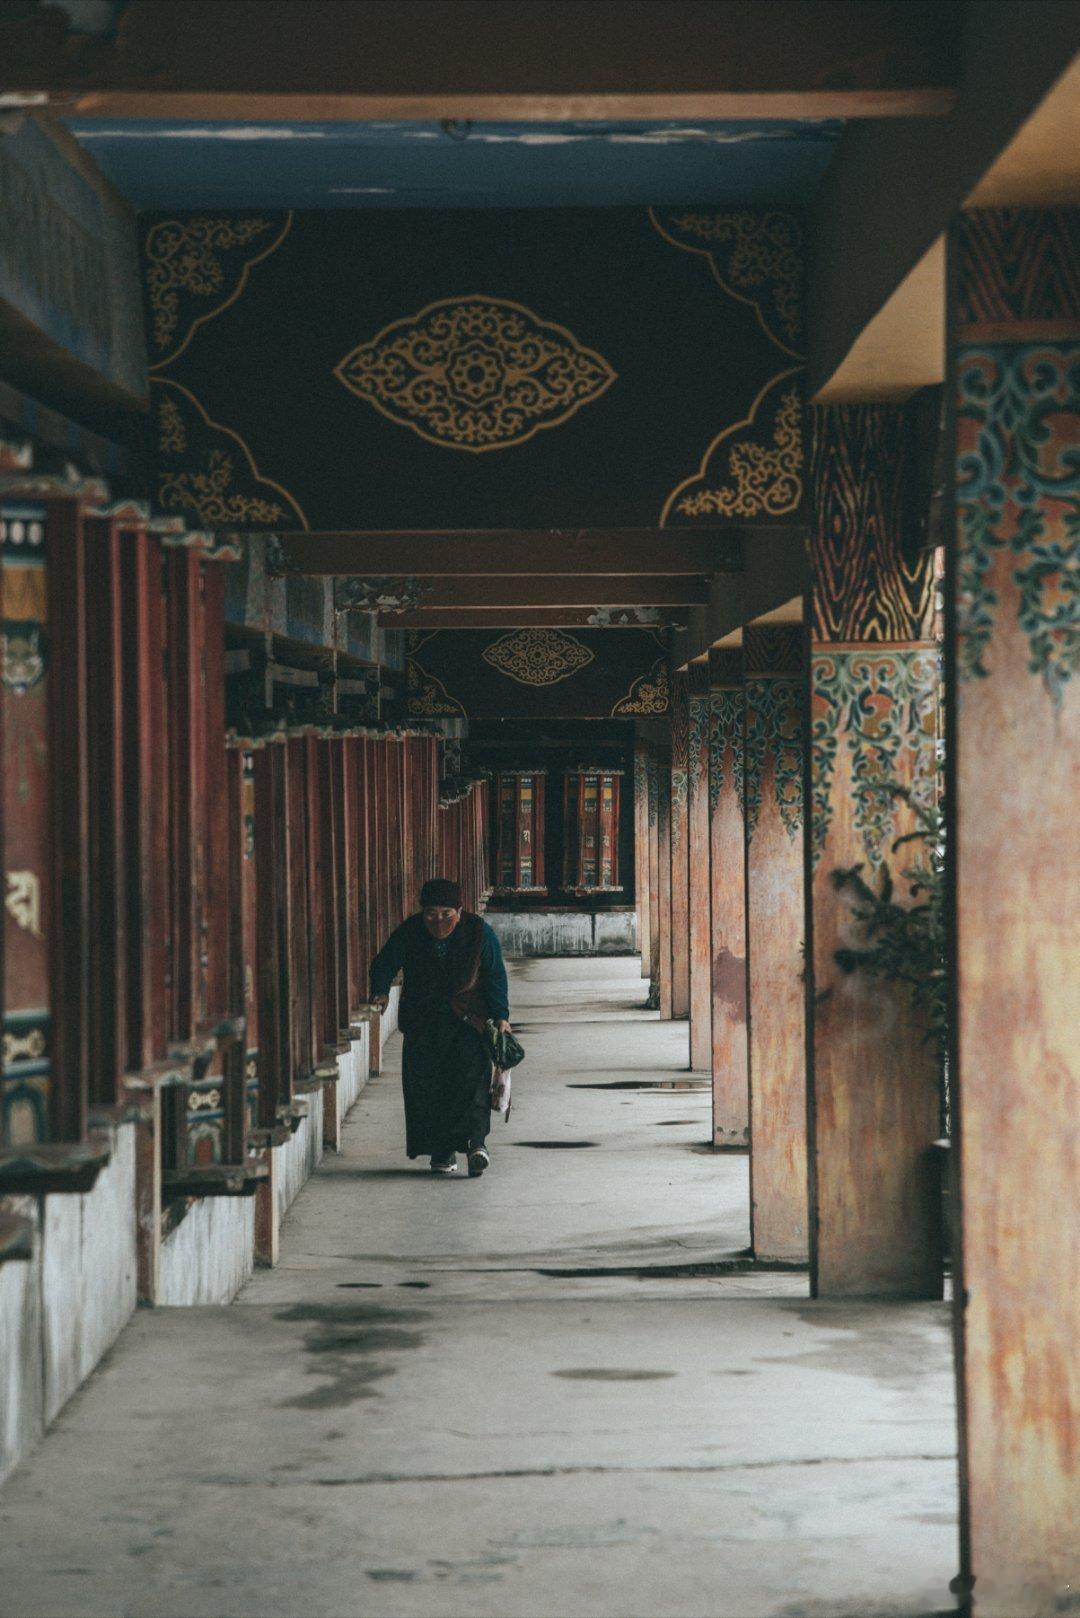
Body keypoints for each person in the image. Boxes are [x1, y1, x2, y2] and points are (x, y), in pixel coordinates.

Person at [369, 878, 512, 1177]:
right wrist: (380, 990)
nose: (438, 921)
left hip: (468, 1020)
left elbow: (495, 976)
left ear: (460, 911)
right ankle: (442, 1150)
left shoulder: (478, 934)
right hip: (424, 1021)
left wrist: (501, 1016)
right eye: (431, 914)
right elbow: (384, 962)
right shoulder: (411, 931)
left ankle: (476, 1145)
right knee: (429, 1087)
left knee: (472, 1080)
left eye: (447, 914)